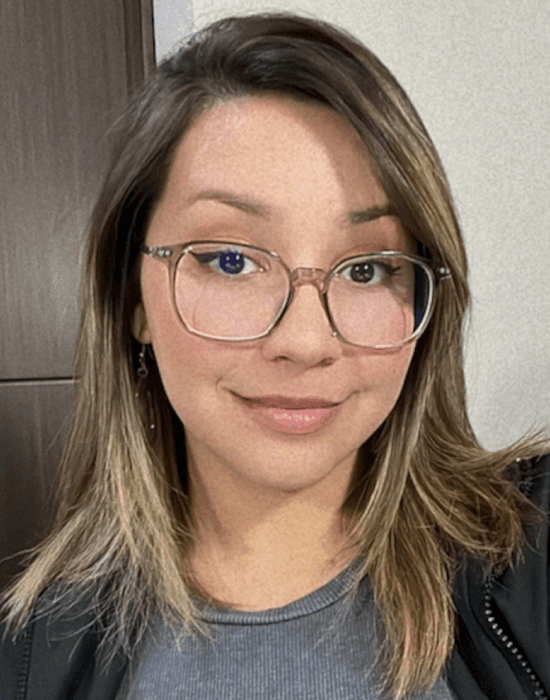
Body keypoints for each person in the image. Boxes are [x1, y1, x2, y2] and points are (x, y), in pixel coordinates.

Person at [1, 12, 548, 700]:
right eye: (230, 260)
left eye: (368, 268)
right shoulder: (29, 660)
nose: (306, 342)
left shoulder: (532, 563)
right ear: (129, 296)